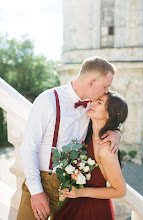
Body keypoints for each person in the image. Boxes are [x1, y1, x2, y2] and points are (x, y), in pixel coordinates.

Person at [17, 56, 121, 220]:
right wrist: (36, 192)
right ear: (92, 82)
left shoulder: (92, 106)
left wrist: (117, 132)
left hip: (72, 188)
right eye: (105, 86)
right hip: (43, 181)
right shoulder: (48, 100)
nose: (107, 91)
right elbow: (29, 148)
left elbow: (112, 112)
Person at [54, 91, 128, 220]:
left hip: (91, 209)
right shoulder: (86, 133)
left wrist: (80, 192)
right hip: (73, 203)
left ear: (108, 114)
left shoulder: (106, 149)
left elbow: (120, 190)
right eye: (95, 100)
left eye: (99, 102)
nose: (92, 103)